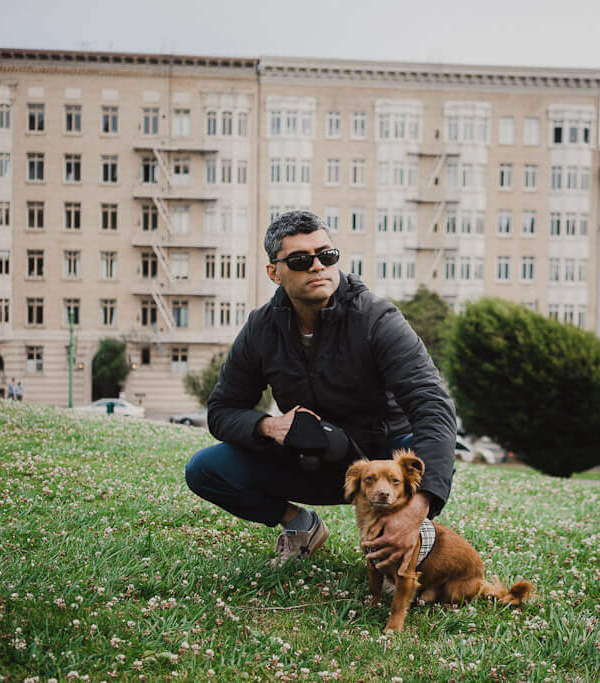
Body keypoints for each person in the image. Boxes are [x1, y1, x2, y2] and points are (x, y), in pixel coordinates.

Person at [185, 210, 456, 568]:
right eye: (300, 260)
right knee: (204, 468)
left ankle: (407, 533)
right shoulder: (262, 328)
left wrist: (417, 508)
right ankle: (301, 526)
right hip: (312, 457)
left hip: (380, 463)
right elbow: (221, 410)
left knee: (400, 570)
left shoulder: (376, 318)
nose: (317, 267)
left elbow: (432, 406)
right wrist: (268, 426)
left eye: (326, 256)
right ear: (274, 272)